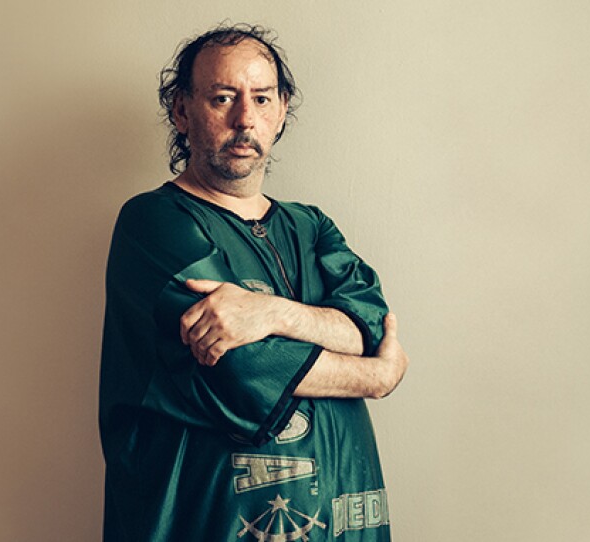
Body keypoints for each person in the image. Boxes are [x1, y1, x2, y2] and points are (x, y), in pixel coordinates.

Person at [99, 23, 409, 541]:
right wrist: (375, 377)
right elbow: (241, 368)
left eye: (262, 98)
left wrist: (272, 313)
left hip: (344, 521)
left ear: (282, 110)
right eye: (223, 98)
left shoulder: (311, 227)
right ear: (181, 110)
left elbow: (370, 327)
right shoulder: (154, 223)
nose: (245, 118)